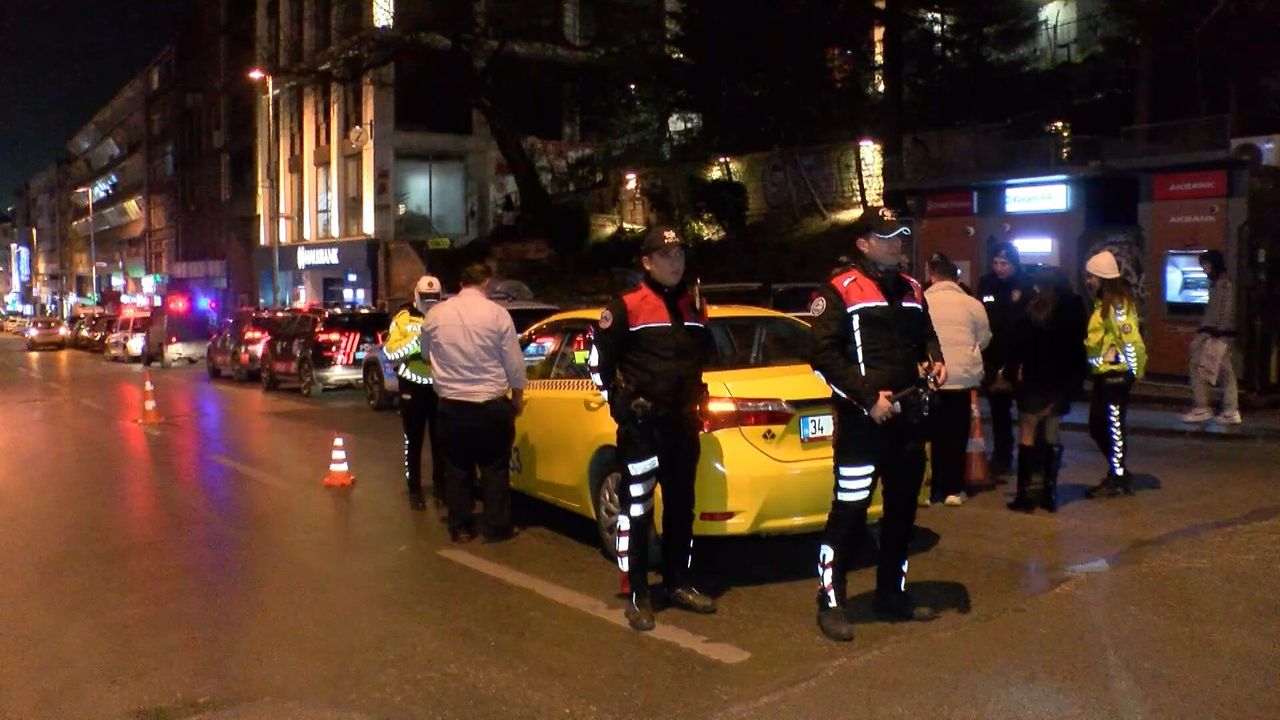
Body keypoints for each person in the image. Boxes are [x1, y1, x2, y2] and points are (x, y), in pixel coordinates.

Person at [809, 214, 947, 642]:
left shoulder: (912, 289)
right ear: (863, 244)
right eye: (885, 238)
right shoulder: (839, 290)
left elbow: (926, 335)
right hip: (862, 423)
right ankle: (830, 600)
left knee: (902, 512)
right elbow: (823, 357)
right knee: (849, 514)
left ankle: (892, 592)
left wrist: (935, 359)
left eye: (900, 236)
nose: (896, 244)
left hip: (908, 420)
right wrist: (869, 399)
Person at [588, 225, 717, 632]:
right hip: (643, 429)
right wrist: (622, 406)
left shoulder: (693, 305)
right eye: (665, 256)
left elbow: (704, 357)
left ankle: (678, 582)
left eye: (679, 255)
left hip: (682, 426)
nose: (675, 262)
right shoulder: (625, 307)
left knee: (681, 508)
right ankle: (638, 593)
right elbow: (597, 364)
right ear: (647, 262)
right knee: (637, 510)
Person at [420, 263, 526, 543]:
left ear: (461, 283)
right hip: (492, 404)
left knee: (457, 467)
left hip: (452, 405)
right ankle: (497, 527)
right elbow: (514, 364)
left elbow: (425, 353)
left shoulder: (436, 315)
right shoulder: (497, 314)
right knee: (495, 467)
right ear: (486, 283)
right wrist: (517, 398)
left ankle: (460, 526)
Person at [1007, 266, 1088, 512]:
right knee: (1052, 433)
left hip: (1033, 380)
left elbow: (1016, 347)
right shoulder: (1073, 311)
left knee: (1027, 432)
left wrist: (1011, 375)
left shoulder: (1029, 310)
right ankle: (1048, 494)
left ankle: (1024, 495)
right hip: (1059, 381)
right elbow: (1078, 350)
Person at [923, 255, 990, 508]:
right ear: (956, 279)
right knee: (957, 435)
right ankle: (953, 488)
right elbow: (984, 338)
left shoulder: (922, 301)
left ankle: (931, 489)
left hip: (931, 377)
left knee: (931, 435)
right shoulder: (972, 304)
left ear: (932, 276)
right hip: (961, 379)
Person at [1082, 250, 1147, 499]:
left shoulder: (1117, 305)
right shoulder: (1104, 303)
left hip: (1116, 376)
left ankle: (1118, 478)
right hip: (1104, 374)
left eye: (1092, 276)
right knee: (1100, 426)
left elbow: (1131, 340)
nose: (1088, 281)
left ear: (1103, 278)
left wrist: (1135, 371)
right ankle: (1118, 473)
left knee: (1112, 427)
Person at [385, 275, 444, 512]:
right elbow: (390, 352)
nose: (430, 302)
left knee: (441, 440)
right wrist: (416, 343)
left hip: (440, 386)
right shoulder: (403, 318)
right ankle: (415, 490)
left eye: (434, 297)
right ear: (417, 296)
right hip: (412, 386)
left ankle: (441, 488)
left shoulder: (447, 317)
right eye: (426, 297)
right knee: (414, 440)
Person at [976, 241, 1034, 479]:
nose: (999, 268)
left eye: (1004, 263)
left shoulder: (1026, 284)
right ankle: (1002, 457)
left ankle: (1030, 459)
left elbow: (1029, 323)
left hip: (1020, 359)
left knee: (1027, 413)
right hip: (993, 357)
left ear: (1014, 264)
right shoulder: (987, 283)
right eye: (996, 263)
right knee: (999, 414)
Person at [1181, 249, 1241, 425]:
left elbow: (1222, 310)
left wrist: (1216, 332)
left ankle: (1204, 407)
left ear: (1213, 263)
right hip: (1218, 333)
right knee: (1224, 371)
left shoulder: (1222, 283)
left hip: (1214, 334)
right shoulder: (1220, 282)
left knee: (1199, 367)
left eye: (1205, 264)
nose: (1203, 268)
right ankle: (1229, 410)